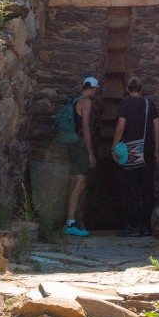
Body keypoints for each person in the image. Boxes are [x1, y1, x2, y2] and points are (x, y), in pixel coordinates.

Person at [112, 76, 159, 237]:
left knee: (131, 189)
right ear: (141, 89)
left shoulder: (125, 105)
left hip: (130, 152)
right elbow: (157, 127)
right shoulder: (149, 104)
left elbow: (120, 127)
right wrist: (156, 150)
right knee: (147, 189)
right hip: (146, 151)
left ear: (127, 89)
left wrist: (114, 147)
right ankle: (146, 227)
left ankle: (132, 226)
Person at [65, 76, 98, 237]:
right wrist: (90, 153)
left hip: (68, 145)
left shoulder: (73, 100)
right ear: (94, 89)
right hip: (78, 146)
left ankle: (70, 220)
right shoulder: (87, 102)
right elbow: (85, 128)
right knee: (80, 181)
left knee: (73, 181)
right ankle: (71, 222)